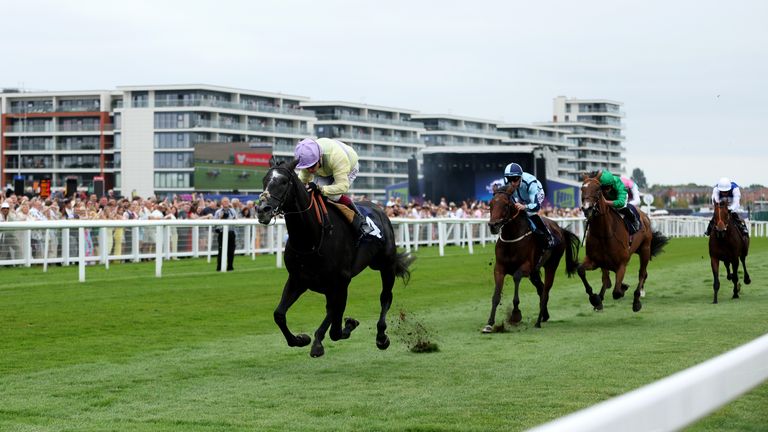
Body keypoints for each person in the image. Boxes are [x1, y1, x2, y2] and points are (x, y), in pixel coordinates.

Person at [294, 137, 375, 239]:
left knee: (334, 196)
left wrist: (321, 189)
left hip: (348, 164)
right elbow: (300, 184)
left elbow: (343, 187)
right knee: (310, 194)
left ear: (319, 157)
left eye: (312, 166)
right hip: (325, 169)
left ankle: (361, 221)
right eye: (307, 167)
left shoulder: (336, 157)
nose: (310, 170)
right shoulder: (308, 160)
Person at [503, 162, 556, 249]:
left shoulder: (531, 182)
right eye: (509, 179)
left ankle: (548, 236)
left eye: (515, 179)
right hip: (520, 195)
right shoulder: (507, 182)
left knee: (530, 213)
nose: (512, 183)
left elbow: (536, 206)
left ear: (520, 177)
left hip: (536, 193)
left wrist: (525, 207)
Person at [595, 169, 641, 235]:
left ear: (611, 185)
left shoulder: (619, 185)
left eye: (607, 188)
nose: (605, 191)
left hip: (621, 197)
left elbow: (621, 202)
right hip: (609, 197)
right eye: (603, 188)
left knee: (620, 208)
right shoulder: (601, 181)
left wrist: (606, 202)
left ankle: (634, 220)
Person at [214, 196, 237, 271]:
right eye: (224, 201)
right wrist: (221, 218)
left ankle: (230, 267)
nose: (226, 203)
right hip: (222, 233)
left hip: (231, 233)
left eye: (227, 201)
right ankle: (219, 267)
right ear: (221, 203)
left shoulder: (233, 211)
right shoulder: (218, 212)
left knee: (231, 251)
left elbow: (236, 221)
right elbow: (215, 225)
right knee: (221, 251)